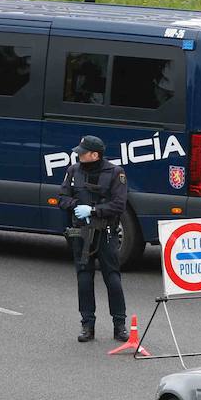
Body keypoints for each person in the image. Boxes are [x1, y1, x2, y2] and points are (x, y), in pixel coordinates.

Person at [57, 135, 128, 342]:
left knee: (112, 279)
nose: (78, 155)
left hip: (106, 233)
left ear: (94, 155)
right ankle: (87, 325)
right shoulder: (73, 171)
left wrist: (94, 210)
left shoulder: (115, 173)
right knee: (84, 279)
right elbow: (62, 198)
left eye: (82, 152)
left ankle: (120, 325)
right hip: (81, 233)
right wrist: (75, 207)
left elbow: (119, 205)